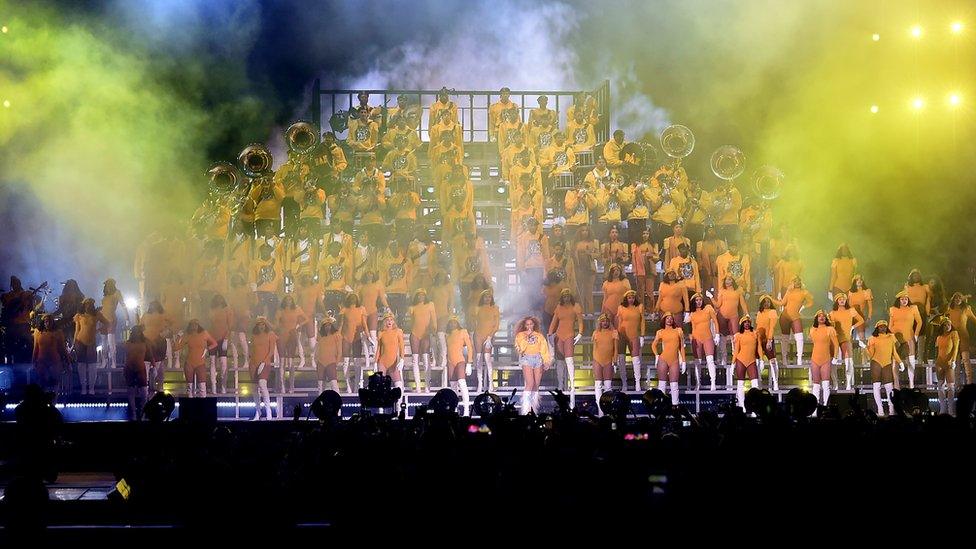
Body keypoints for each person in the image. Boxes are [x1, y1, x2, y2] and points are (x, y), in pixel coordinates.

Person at [548, 288, 584, 405]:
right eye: (564, 296)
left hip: (569, 335)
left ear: (570, 297)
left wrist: (580, 333)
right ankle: (560, 384)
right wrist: (549, 334)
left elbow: (580, 321)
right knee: (559, 361)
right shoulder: (559, 307)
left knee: (569, 360)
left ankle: (572, 384)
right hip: (559, 335)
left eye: (568, 296)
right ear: (562, 297)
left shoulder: (576, 306)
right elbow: (554, 322)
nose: (566, 298)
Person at [514, 316, 552, 415]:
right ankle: (525, 410)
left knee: (536, 385)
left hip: (538, 359)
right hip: (526, 359)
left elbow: (544, 349)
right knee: (530, 383)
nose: (529, 326)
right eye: (527, 324)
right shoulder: (520, 335)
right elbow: (520, 349)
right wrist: (527, 337)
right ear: (524, 325)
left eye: (531, 324)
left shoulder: (539, 336)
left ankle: (533, 410)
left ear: (534, 324)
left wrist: (546, 361)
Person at [829, 293, 864, 391]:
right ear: (836, 301)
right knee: (833, 362)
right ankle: (835, 383)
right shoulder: (832, 313)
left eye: (843, 299)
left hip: (846, 338)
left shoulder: (851, 310)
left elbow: (861, 320)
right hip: (835, 339)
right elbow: (829, 326)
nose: (842, 300)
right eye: (840, 299)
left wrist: (853, 327)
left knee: (849, 361)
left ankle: (848, 383)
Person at [174, 319, 218, 397]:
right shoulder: (187, 335)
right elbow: (176, 347)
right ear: (190, 326)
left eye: (195, 325)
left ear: (198, 325)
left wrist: (207, 349)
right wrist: (178, 337)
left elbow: (214, 343)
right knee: (189, 389)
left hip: (200, 363)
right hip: (189, 363)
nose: (194, 326)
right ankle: (190, 407)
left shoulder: (204, 333)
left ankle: (202, 407)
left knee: (202, 388)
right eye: (192, 325)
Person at [889, 290, 922, 389]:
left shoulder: (913, 308)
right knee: (895, 361)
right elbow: (890, 325)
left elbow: (919, 322)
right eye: (902, 299)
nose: (904, 301)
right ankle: (896, 385)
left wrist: (916, 334)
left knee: (910, 361)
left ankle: (911, 383)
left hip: (909, 337)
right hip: (896, 338)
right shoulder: (893, 309)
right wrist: (891, 337)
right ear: (899, 300)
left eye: (906, 299)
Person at [651, 312, 686, 405]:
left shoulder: (679, 331)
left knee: (674, 385)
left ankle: (675, 405)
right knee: (662, 384)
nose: (669, 320)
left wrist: (683, 361)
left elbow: (681, 347)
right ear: (664, 320)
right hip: (663, 359)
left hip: (674, 361)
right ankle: (660, 405)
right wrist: (657, 355)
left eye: (671, 318)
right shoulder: (660, 332)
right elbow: (653, 345)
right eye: (667, 318)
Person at [275, 295, 308, 393]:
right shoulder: (280, 311)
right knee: (282, 362)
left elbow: (306, 319)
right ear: (284, 301)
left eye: (290, 300)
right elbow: (276, 325)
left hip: (292, 335)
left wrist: (298, 325)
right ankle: (283, 386)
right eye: (286, 300)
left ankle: (291, 386)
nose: (288, 301)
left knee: (290, 363)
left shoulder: (297, 309)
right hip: (282, 336)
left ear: (292, 301)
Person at [866, 320, 900, 416]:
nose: (883, 328)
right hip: (876, 362)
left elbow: (894, 352)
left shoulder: (891, 337)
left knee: (889, 387)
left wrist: (900, 362)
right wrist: (865, 348)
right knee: (876, 386)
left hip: (887, 364)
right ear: (877, 328)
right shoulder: (872, 338)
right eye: (880, 326)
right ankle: (880, 409)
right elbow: (870, 355)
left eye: (884, 326)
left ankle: (891, 409)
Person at [375, 312, 407, 411]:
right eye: (387, 320)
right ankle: (381, 409)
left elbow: (402, 347)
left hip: (394, 362)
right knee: (380, 386)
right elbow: (379, 349)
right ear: (384, 321)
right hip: (383, 362)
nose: (389, 321)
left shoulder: (398, 331)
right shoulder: (381, 333)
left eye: (391, 320)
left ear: (394, 321)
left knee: (399, 385)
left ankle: (398, 407)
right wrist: (375, 362)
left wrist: (402, 359)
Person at [714, 276, 749, 367]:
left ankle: (736, 357)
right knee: (723, 337)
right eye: (726, 279)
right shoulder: (722, 291)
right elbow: (718, 305)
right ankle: (723, 358)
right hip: (722, 316)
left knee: (736, 336)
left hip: (734, 316)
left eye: (729, 279)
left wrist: (747, 313)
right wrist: (711, 298)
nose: (727, 281)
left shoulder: (738, 291)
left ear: (733, 281)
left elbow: (743, 304)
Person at [339, 292, 370, 393]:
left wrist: (368, 335)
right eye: (351, 297)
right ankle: (348, 385)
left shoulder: (361, 309)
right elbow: (341, 324)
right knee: (346, 362)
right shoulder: (344, 310)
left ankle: (357, 386)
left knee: (357, 363)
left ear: (357, 299)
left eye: (354, 297)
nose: (353, 299)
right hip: (346, 337)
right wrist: (337, 335)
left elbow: (364, 324)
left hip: (357, 337)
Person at [73, 298, 105, 395]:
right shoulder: (79, 316)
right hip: (80, 341)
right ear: (84, 305)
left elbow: (107, 323)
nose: (89, 306)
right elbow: (77, 330)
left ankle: (91, 388)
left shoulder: (97, 315)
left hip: (91, 342)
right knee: (81, 365)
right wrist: (74, 343)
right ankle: (83, 387)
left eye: (90, 304)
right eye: (87, 304)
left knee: (92, 366)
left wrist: (98, 330)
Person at [615, 290, 646, 392]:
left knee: (636, 360)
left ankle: (637, 383)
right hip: (622, 335)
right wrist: (617, 336)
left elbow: (642, 322)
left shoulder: (639, 307)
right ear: (626, 298)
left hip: (634, 335)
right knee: (622, 359)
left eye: (632, 297)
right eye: (629, 297)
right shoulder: (621, 307)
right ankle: (624, 383)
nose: (631, 299)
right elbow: (619, 323)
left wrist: (642, 335)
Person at [123, 325, 155, 421]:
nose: (137, 334)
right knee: (131, 391)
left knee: (144, 391)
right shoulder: (127, 343)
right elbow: (124, 356)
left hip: (140, 369)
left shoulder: (145, 342)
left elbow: (151, 354)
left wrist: (154, 365)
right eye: (135, 332)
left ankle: (143, 412)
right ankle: (133, 412)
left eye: (138, 332)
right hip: (130, 368)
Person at [248, 317, 278, 420]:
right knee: (254, 388)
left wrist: (264, 361)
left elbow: (271, 351)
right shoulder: (254, 336)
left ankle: (268, 411)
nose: (261, 326)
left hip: (265, 362)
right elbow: (251, 349)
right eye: (259, 324)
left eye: (263, 324)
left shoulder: (271, 334)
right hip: (253, 363)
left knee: (262, 384)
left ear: (266, 325)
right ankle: (258, 411)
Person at [779, 276, 813, 366]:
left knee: (800, 337)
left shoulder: (804, 292)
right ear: (792, 282)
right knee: (785, 338)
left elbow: (810, 302)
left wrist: (802, 307)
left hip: (795, 317)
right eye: (795, 281)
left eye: (798, 280)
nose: (797, 282)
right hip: (785, 316)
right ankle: (784, 358)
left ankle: (799, 359)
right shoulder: (789, 291)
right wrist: (771, 299)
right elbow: (782, 303)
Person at [688, 293, 720, 391]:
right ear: (694, 302)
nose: (699, 302)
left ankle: (713, 382)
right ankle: (698, 383)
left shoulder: (708, 308)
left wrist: (717, 334)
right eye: (696, 300)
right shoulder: (692, 313)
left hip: (707, 337)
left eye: (700, 300)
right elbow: (693, 328)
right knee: (698, 362)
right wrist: (692, 338)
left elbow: (715, 321)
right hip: (697, 338)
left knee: (710, 360)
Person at [809, 310, 839, 410]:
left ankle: (826, 407)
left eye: (823, 316)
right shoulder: (812, 329)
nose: (821, 318)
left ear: (826, 318)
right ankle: (815, 408)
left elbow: (836, 345)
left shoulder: (830, 329)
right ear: (816, 319)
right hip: (814, 359)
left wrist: (835, 357)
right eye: (819, 316)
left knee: (826, 385)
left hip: (826, 359)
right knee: (816, 385)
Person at [408, 289, 436, 393]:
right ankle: (418, 386)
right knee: (415, 360)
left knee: (425, 359)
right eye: (418, 295)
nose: (421, 297)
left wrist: (433, 329)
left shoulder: (430, 305)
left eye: (422, 295)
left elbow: (434, 320)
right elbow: (412, 321)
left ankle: (427, 386)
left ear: (425, 296)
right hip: (415, 333)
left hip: (426, 333)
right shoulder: (412, 308)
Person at [444, 316, 474, 416]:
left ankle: (466, 410)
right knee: (453, 387)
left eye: (454, 322)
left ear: (457, 322)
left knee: (462, 383)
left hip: (460, 360)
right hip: (450, 361)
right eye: (451, 322)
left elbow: (470, 347)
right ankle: (455, 409)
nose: (453, 324)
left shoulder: (463, 332)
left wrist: (469, 362)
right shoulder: (447, 335)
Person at [429, 272, 454, 388]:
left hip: (444, 314)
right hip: (433, 315)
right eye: (438, 275)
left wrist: (450, 313)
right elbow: (429, 302)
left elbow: (451, 301)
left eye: (442, 275)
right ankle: (434, 359)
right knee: (432, 338)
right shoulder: (432, 288)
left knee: (441, 336)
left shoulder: (448, 287)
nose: (440, 277)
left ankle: (443, 359)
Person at [139, 300, 170, 392]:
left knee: (148, 365)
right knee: (159, 366)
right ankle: (159, 387)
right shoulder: (163, 315)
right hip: (157, 342)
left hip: (149, 342)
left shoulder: (145, 315)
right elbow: (168, 326)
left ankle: (148, 387)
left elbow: (140, 327)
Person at [32, 315, 67, 393]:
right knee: (43, 384)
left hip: (55, 362)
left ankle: (53, 403)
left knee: (55, 384)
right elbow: (35, 348)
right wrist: (33, 361)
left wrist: (67, 359)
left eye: (50, 321)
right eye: (46, 321)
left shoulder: (58, 332)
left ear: (53, 322)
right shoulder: (37, 332)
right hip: (42, 362)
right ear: (43, 322)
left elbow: (62, 348)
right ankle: (43, 403)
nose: (48, 323)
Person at [473, 289, 500, 393]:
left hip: (489, 335)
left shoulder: (495, 308)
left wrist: (490, 336)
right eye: (485, 296)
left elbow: (496, 326)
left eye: (489, 296)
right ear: (482, 298)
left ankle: (491, 384)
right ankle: (480, 384)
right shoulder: (477, 308)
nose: (487, 298)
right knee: (479, 359)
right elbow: (474, 322)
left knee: (487, 359)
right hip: (478, 334)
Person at [732, 315, 761, 410]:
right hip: (741, 360)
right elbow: (736, 350)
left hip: (752, 361)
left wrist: (761, 359)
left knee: (755, 384)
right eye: (745, 322)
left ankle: (755, 407)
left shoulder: (755, 333)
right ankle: (742, 406)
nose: (747, 324)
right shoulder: (738, 335)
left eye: (748, 322)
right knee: (740, 384)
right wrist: (733, 363)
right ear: (742, 324)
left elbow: (759, 347)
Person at [100, 278, 129, 371]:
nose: (106, 286)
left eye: (108, 284)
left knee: (111, 341)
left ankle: (113, 362)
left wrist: (127, 318)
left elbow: (123, 305)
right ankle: (104, 362)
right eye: (105, 284)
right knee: (103, 342)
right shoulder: (105, 295)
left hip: (111, 319)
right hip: (102, 319)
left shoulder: (117, 293)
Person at [903, 269, 931, 365]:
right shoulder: (907, 286)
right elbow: (904, 300)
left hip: (922, 311)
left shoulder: (925, 287)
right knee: (910, 334)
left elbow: (928, 300)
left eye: (917, 275)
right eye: (913, 275)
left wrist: (927, 312)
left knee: (921, 335)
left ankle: (920, 358)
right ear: (910, 277)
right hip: (910, 312)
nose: (916, 277)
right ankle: (911, 357)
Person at [207, 294, 234, 394]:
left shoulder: (227, 310)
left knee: (223, 363)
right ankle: (213, 385)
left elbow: (230, 325)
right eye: (217, 299)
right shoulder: (211, 310)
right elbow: (210, 324)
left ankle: (223, 386)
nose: (218, 300)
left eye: (220, 299)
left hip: (223, 338)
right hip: (212, 338)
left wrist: (226, 338)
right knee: (212, 362)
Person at [933, 316, 959, 414]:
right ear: (942, 327)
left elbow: (955, 348)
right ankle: (942, 409)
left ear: (951, 325)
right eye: (944, 325)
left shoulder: (954, 334)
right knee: (940, 386)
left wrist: (953, 360)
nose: (947, 326)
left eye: (948, 324)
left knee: (951, 386)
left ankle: (951, 409)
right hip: (940, 362)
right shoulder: (939, 337)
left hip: (949, 362)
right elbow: (937, 350)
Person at [591, 314, 618, 412]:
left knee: (608, 386)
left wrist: (615, 361)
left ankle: (607, 408)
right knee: (598, 385)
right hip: (597, 360)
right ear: (600, 322)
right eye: (603, 321)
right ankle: (599, 408)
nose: (605, 323)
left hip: (608, 361)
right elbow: (594, 349)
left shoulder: (614, 333)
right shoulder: (596, 333)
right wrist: (594, 360)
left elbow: (615, 349)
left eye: (606, 321)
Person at [572, 225, 600, 313]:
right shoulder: (575, 243)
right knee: (580, 291)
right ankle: (582, 312)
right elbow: (572, 255)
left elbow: (598, 254)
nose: (584, 232)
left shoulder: (594, 242)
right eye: (582, 230)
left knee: (589, 291)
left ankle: (590, 312)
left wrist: (590, 254)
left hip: (590, 269)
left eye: (586, 230)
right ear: (579, 232)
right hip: (579, 268)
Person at [948, 292, 975, 384]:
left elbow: (974, 320)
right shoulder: (949, 309)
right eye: (956, 298)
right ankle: (956, 385)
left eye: (960, 298)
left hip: (964, 337)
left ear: (962, 299)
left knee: (966, 361)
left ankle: (970, 384)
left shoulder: (966, 309)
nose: (958, 299)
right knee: (955, 361)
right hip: (953, 338)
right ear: (953, 300)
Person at [755, 295, 781, 391]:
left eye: (768, 301)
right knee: (757, 360)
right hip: (759, 339)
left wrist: (769, 340)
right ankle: (758, 383)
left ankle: (775, 383)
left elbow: (771, 327)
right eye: (764, 302)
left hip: (767, 339)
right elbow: (758, 326)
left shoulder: (773, 312)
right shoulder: (759, 313)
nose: (766, 303)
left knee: (772, 360)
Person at [848, 275, 874, 364]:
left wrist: (869, 317)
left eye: (861, 280)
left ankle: (867, 358)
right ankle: (849, 358)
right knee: (849, 337)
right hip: (850, 316)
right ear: (854, 282)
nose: (859, 281)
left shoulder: (866, 291)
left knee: (862, 338)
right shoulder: (850, 292)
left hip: (860, 316)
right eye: (857, 280)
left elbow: (870, 307)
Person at [632, 228, 660, 309]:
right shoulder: (635, 245)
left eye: (647, 233)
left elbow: (657, 257)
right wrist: (634, 270)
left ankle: (650, 310)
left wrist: (650, 255)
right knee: (640, 291)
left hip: (650, 270)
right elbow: (633, 259)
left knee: (650, 291)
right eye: (643, 233)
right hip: (639, 270)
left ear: (649, 235)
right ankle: (641, 309)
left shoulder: (654, 244)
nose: (645, 235)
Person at [315, 313, 343, 393]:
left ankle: (337, 401)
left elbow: (339, 352)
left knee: (334, 384)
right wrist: (316, 360)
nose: (327, 327)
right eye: (325, 325)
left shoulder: (336, 335)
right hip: (320, 362)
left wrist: (336, 362)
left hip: (331, 362)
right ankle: (320, 402)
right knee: (320, 385)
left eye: (329, 325)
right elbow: (317, 349)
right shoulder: (321, 337)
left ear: (332, 326)